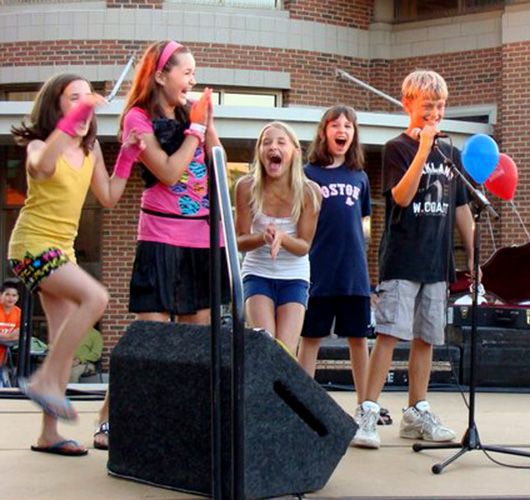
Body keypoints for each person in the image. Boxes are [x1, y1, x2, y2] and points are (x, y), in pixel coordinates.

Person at [93, 40, 224, 450]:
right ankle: (110, 419)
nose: (192, 79)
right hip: (162, 237)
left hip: (202, 239)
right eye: (186, 72)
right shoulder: (137, 118)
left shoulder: (190, 114)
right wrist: (196, 129)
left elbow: (216, 162)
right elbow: (167, 173)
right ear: (162, 74)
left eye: (194, 73)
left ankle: (179, 425)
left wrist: (207, 124)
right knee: (150, 341)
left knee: (193, 344)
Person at [8, 73, 133, 456]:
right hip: (31, 246)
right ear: (56, 107)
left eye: (86, 98)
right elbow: (42, 167)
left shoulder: (91, 151)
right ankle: (45, 381)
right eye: (72, 98)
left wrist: (127, 155)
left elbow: (110, 197)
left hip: (62, 252)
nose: (83, 104)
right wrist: (71, 121)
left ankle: (48, 433)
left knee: (64, 339)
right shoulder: (40, 145)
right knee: (95, 298)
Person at [352, 70, 474, 449]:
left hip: (437, 263)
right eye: (427, 106)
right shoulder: (396, 148)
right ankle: (368, 411)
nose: (434, 113)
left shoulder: (451, 154)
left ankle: (416, 411)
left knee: (427, 338)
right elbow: (402, 197)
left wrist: (475, 254)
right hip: (403, 259)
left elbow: (461, 211)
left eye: (439, 106)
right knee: (390, 333)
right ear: (408, 105)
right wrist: (422, 149)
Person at [299, 106, 371, 413]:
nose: (342, 130)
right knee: (311, 338)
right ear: (324, 132)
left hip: (353, 275)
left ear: (353, 135)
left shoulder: (360, 177)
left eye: (348, 126)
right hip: (318, 272)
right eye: (335, 125)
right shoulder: (307, 174)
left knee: (358, 340)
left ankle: (365, 405)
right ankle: (300, 405)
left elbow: (365, 224)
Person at [236, 122, 321, 358]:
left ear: (294, 151)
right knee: (264, 346)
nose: (273, 146)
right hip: (257, 273)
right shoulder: (246, 187)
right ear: (260, 152)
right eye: (266, 142)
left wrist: (282, 238)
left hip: (294, 276)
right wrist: (263, 237)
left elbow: (304, 246)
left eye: (281, 142)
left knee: (284, 354)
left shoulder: (310, 191)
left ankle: (280, 396)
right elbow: (240, 240)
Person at [0, 280, 22, 370]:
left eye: (14, 295)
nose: (11, 298)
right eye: (7, 294)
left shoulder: (19, 312)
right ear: (1, 295)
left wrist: (4, 337)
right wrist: (10, 336)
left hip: (4, 358)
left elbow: (19, 336)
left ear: (18, 297)